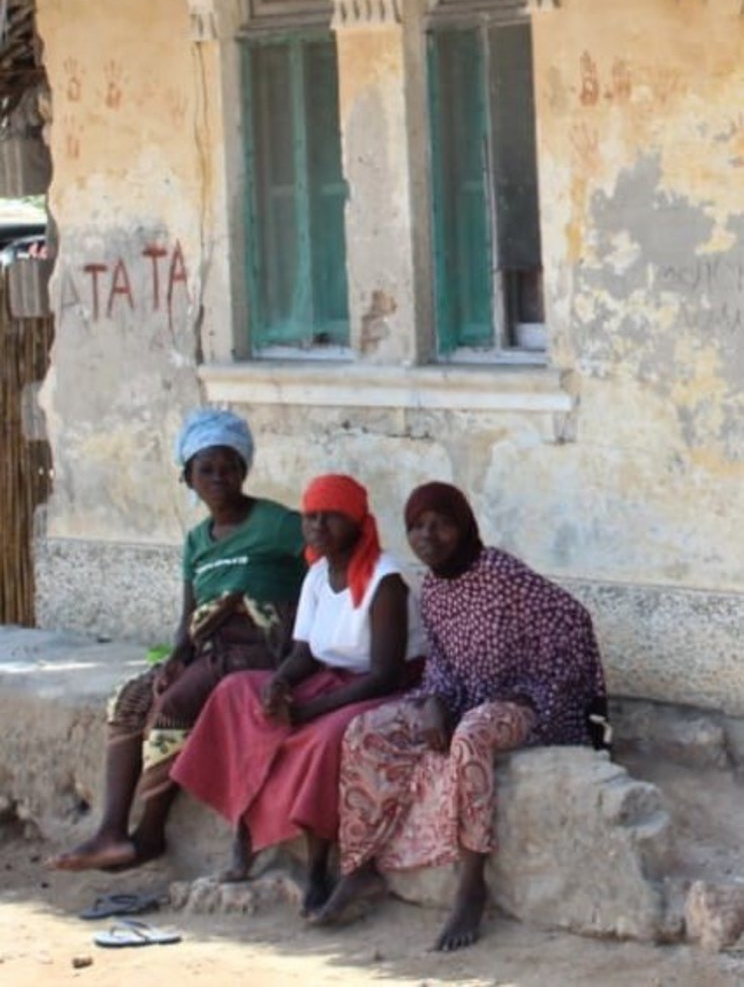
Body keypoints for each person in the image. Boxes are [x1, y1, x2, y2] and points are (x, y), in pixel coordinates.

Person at [315, 480, 608, 952]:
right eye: (417, 527)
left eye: (441, 524)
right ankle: (360, 867)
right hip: (470, 698)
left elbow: (573, 620)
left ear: (464, 527)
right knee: (366, 730)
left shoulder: (499, 571)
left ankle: (471, 885)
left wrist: (537, 691)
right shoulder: (431, 587)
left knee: (469, 737)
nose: (428, 536)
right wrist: (433, 703)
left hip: (532, 707)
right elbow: (443, 666)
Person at [48, 407, 305, 872]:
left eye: (228, 467)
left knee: (172, 709)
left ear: (243, 470)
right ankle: (109, 831)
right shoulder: (195, 542)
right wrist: (175, 656)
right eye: (205, 469)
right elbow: (189, 616)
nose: (219, 477)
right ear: (188, 478)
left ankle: (148, 836)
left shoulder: (279, 524)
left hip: (254, 651)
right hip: (208, 649)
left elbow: (324, 565)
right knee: (128, 702)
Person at [172, 473, 426, 914]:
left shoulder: (385, 581)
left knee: (324, 738)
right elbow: (303, 651)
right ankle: (244, 830)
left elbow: (385, 673)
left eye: (332, 517)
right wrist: (280, 682)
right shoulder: (316, 575)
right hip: (330, 677)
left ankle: (317, 866)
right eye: (311, 518)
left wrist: (312, 707)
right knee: (237, 693)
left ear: (357, 522)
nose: (318, 528)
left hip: (383, 687)